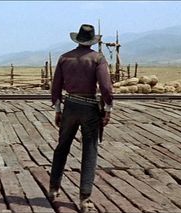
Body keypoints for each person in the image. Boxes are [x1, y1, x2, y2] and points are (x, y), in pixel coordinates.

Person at [49, 24, 113, 213]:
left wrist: (59, 110)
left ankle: (53, 189)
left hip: (69, 106)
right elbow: (106, 88)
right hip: (89, 108)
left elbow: (56, 87)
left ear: (78, 39)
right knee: (90, 150)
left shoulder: (64, 58)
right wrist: (108, 109)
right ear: (92, 40)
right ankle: (85, 199)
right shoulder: (97, 58)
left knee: (62, 147)